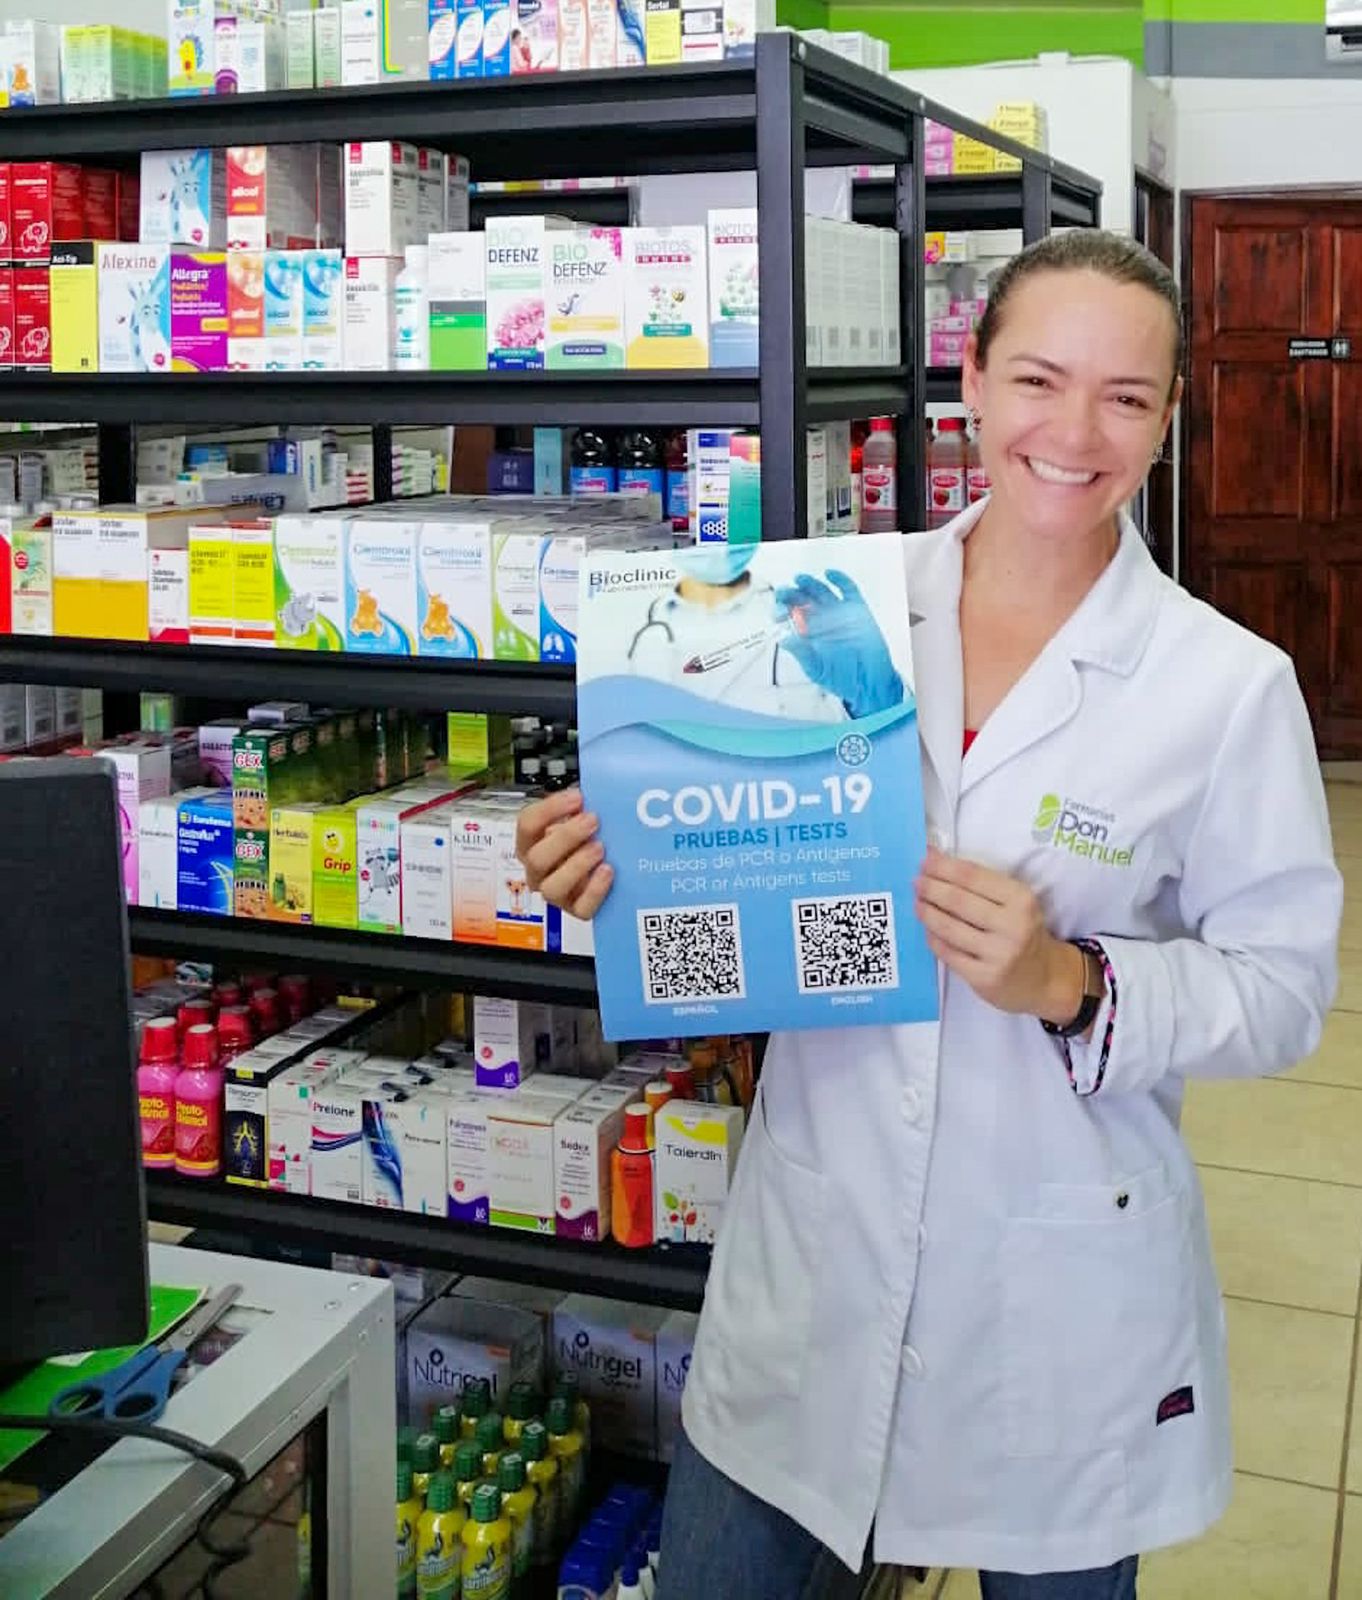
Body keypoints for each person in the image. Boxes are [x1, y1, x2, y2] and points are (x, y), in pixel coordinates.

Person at [514, 230, 1343, 1599]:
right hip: (815, 1253)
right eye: (1038, 380)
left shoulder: (1223, 683)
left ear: (1167, 420)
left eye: (1125, 398)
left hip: (1060, 1293)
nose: (1072, 433)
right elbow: (731, 873)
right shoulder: (813, 608)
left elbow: (1283, 990)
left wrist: (1072, 980)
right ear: (970, 382)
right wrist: (618, 863)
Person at [622, 541, 904, 722]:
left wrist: (875, 705)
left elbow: (859, 750)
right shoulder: (639, 630)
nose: (718, 547)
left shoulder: (801, 615)